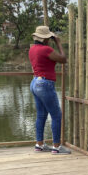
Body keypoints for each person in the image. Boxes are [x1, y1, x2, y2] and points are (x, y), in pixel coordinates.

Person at [29, 25, 71, 154]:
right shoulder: (46, 49)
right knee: (56, 115)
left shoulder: (32, 49)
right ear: (46, 39)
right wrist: (58, 43)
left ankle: (39, 145)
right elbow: (63, 59)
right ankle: (56, 147)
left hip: (35, 82)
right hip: (45, 84)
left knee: (41, 114)